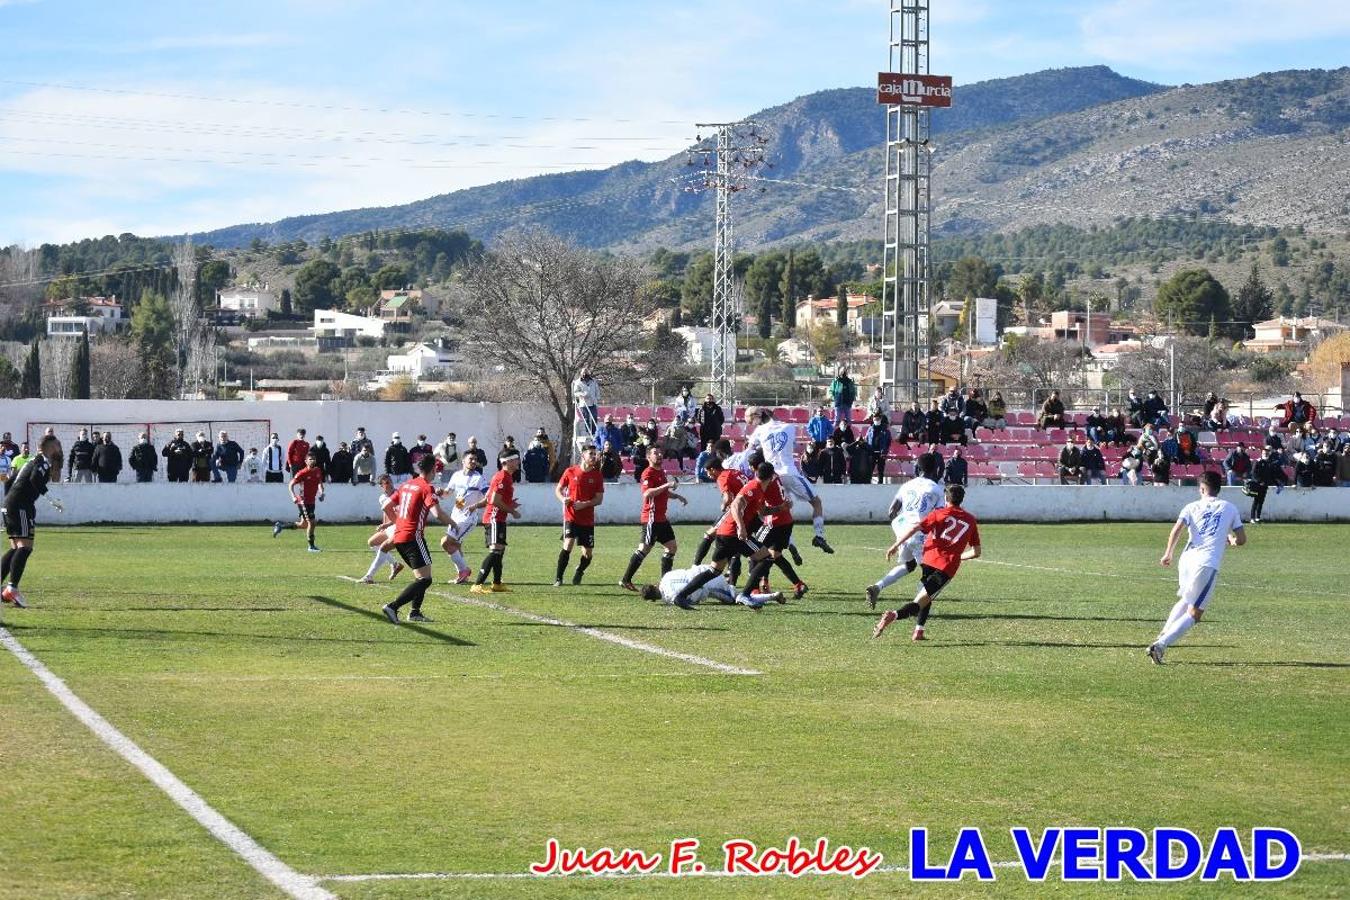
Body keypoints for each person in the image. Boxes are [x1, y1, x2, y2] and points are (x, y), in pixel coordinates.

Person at [1148, 471, 1246, 665]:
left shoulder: (1191, 506)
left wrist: (1168, 553)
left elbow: (1177, 529)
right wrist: (1232, 540)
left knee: (1186, 600)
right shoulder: (1229, 508)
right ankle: (1160, 644)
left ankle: (1163, 633)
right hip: (1206, 563)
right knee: (1195, 612)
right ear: (1219, 489)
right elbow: (1242, 539)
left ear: (1202, 488)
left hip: (1186, 559)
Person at [871, 483, 981, 642]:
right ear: (962, 500)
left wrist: (895, 545)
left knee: (927, 596)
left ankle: (919, 631)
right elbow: (977, 552)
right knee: (920, 601)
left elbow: (914, 529)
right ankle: (893, 615)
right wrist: (959, 556)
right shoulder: (970, 520)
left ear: (946, 498)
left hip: (928, 560)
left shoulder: (938, 514)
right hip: (945, 568)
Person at [669, 462, 781, 611]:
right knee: (766, 557)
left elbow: (762, 512)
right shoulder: (753, 487)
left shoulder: (758, 489)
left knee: (714, 570)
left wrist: (781, 508)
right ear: (772, 477)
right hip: (734, 534)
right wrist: (741, 527)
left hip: (724, 533)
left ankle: (680, 596)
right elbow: (735, 505)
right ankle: (745, 595)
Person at [744, 405, 833, 553]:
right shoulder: (790, 427)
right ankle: (819, 536)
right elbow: (795, 445)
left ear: (758, 418)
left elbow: (749, 451)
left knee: (783, 508)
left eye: (751, 421)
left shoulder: (759, 431)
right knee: (816, 502)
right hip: (789, 473)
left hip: (772, 477)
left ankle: (789, 541)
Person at [865, 452, 945, 609]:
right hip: (919, 532)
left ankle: (877, 587)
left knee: (909, 565)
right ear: (935, 469)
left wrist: (901, 530)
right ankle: (917, 608)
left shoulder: (907, 485)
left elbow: (891, 511)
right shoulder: (936, 489)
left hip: (903, 530)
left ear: (918, 468)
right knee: (930, 572)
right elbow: (940, 517)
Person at [379, 455, 452, 624]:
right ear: (433, 469)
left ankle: (415, 613)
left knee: (421, 577)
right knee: (425, 580)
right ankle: (393, 606)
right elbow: (437, 513)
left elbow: (386, 506)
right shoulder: (427, 487)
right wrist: (453, 524)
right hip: (413, 537)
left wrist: (398, 522)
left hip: (400, 537)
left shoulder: (406, 485)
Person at [620, 446, 688, 590]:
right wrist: (667, 485)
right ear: (648, 457)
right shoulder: (648, 473)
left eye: (660, 452)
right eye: (655, 453)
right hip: (651, 518)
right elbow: (648, 493)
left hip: (661, 519)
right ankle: (625, 580)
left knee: (671, 547)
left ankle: (665, 583)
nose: (659, 455)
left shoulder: (661, 472)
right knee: (644, 548)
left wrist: (676, 496)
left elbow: (662, 492)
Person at [2, 444, 61, 608]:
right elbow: (35, 479)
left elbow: (9, 482)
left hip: (12, 504)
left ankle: (8, 589)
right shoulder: (41, 461)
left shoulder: (29, 461)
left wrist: (8, 501)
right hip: (20, 506)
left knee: (16, 547)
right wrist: (51, 499)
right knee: (25, 547)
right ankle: (11, 589)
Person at [470, 449, 522, 594]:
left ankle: (497, 583)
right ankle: (477, 584)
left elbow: (489, 498)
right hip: (494, 518)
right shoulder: (502, 477)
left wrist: (510, 504)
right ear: (507, 462)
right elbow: (494, 501)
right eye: (516, 459)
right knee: (495, 550)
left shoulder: (506, 477)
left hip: (498, 518)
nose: (518, 462)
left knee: (500, 551)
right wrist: (512, 511)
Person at [555, 444, 606, 587]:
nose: (594, 456)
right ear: (583, 455)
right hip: (571, 516)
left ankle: (580, 570)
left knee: (587, 553)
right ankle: (559, 578)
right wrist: (563, 499)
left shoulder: (597, 475)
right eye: (591, 453)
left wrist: (584, 504)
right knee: (568, 544)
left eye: (595, 454)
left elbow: (599, 499)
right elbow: (558, 489)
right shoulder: (570, 471)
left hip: (587, 520)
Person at [440, 455, 489, 584]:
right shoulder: (456, 475)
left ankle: (464, 570)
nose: (473, 461)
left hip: (468, 518)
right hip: (456, 514)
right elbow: (448, 493)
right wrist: (441, 492)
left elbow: (488, 498)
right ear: (463, 461)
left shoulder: (478, 478)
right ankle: (463, 576)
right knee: (455, 545)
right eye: (470, 459)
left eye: (475, 459)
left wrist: (476, 505)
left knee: (445, 542)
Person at [641, 566, 782, 607]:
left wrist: (694, 602)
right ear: (654, 585)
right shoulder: (666, 576)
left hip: (708, 584)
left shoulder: (670, 598)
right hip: (704, 569)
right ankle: (728, 577)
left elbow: (696, 592)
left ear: (653, 599)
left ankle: (772, 596)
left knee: (737, 599)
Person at [357, 475, 404, 584]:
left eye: (390, 482)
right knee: (372, 542)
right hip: (390, 526)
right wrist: (384, 525)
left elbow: (400, 516)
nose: (390, 484)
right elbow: (386, 512)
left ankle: (369, 576)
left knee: (383, 548)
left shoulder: (399, 495)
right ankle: (395, 564)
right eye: (386, 483)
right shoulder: (382, 498)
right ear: (381, 486)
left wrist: (386, 525)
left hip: (399, 526)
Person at [273, 451, 325, 551]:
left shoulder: (318, 470)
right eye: (310, 459)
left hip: (312, 501)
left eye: (314, 459)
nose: (313, 461)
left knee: (304, 524)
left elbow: (319, 483)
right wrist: (293, 496)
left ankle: (281, 526)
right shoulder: (302, 473)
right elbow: (291, 485)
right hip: (303, 501)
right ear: (306, 461)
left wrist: (321, 493)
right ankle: (311, 546)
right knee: (312, 522)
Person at [1246, 447, 1288, 523]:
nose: (1266, 454)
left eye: (1267, 453)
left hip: (1265, 486)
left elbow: (1271, 476)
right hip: (1257, 485)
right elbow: (1254, 473)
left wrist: (1277, 484)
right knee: (1256, 501)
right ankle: (1252, 518)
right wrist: (1259, 481)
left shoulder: (1269, 464)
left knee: (1261, 502)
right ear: (1261, 454)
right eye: (1264, 453)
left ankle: (1258, 518)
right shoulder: (1257, 462)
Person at [572, 367, 600, 437]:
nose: (585, 374)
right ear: (581, 373)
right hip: (584, 403)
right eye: (584, 372)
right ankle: (588, 432)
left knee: (594, 416)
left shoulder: (593, 381)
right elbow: (575, 393)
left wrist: (597, 398)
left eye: (586, 372)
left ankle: (594, 432)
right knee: (586, 418)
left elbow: (597, 390)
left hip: (593, 402)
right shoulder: (578, 382)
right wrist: (582, 394)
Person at [865, 413, 892, 483]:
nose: (876, 420)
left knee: (881, 470)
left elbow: (889, 441)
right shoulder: (870, 429)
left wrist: (885, 450)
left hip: (881, 452)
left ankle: (880, 483)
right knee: (870, 469)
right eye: (875, 419)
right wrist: (868, 450)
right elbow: (867, 439)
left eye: (877, 419)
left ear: (880, 419)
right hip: (872, 452)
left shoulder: (885, 430)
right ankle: (868, 482)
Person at [829, 366, 858, 430]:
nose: (843, 372)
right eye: (842, 371)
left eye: (845, 371)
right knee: (837, 419)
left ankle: (849, 433)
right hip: (838, 403)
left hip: (847, 403)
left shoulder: (849, 381)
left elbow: (853, 392)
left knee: (848, 420)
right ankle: (834, 433)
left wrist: (851, 399)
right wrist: (834, 398)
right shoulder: (836, 381)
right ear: (840, 372)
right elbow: (831, 390)